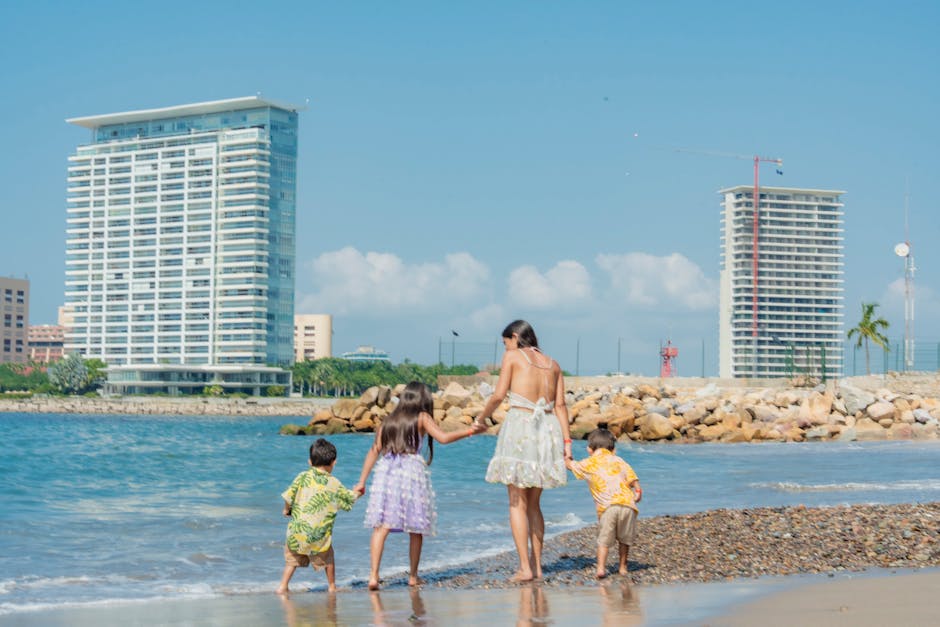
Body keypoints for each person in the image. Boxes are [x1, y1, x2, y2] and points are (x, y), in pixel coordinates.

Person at [353, 381, 484, 590]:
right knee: (415, 527)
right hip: (411, 473)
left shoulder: (388, 420)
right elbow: (443, 438)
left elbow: (374, 451)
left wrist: (361, 481)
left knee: (381, 526)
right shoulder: (422, 417)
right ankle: (413, 576)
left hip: (386, 472)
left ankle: (373, 576)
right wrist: (470, 432)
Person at [474, 319, 572, 583]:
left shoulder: (513, 357)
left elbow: (498, 395)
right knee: (534, 503)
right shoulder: (553, 364)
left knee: (517, 500)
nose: (505, 348)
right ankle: (537, 567)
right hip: (547, 428)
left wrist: (481, 418)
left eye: (505, 342)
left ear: (515, 337)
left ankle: (524, 568)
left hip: (521, 425)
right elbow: (560, 406)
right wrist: (567, 443)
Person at [277, 438, 359, 594]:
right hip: (318, 535)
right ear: (334, 462)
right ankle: (332, 586)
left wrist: (286, 510)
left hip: (297, 533)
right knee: (328, 558)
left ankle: (283, 586)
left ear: (310, 462)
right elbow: (349, 499)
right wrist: (358, 492)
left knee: (292, 561)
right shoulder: (333, 483)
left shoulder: (302, 477)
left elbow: (288, 496)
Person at [565, 428, 642, 579]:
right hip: (628, 505)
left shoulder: (589, 463)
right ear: (613, 449)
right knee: (625, 539)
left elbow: (570, 465)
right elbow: (633, 480)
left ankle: (601, 568)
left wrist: (567, 457)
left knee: (604, 540)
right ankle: (623, 567)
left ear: (589, 449)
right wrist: (638, 491)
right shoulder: (619, 460)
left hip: (608, 507)